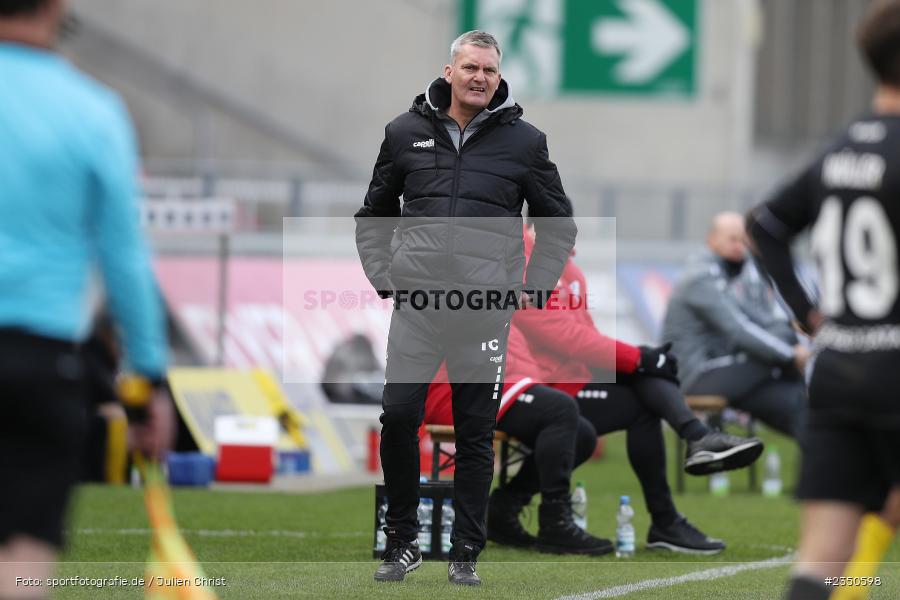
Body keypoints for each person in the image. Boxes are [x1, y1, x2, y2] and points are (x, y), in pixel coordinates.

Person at [355, 30, 576, 585]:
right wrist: (386, 279)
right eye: (472, 67)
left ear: (500, 80)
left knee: (475, 433)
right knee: (399, 416)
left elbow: (558, 223)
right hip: (419, 309)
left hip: (483, 312)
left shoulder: (526, 142)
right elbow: (373, 215)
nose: (481, 78)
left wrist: (535, 287)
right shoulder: (403, 133)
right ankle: (402, 542)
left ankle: (464, 554)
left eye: (491, 71)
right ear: (449, 71)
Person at [0, 2, 171, 597]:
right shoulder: (93, 111)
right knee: (21, 556)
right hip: (41, 356)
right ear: (58, 7)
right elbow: (124, 259)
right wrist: (148, 377)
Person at [747, 2, 900, 597]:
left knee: (820, 557)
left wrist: (809, 315)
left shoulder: (840, 147)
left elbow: (765, 226)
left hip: (838, 367)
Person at [513, 231, 763, 553]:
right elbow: (562, 336)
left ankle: (690, 457)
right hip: (537, 389)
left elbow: (583, 337)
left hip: (567, 380)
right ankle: (679, 484)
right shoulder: (520, 261)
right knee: (641, 387)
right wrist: (639, 357)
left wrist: (642, 358)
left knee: (646, 375)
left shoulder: (565, 269)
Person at [425, 325, 613, 556]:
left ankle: (503, 509)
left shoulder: (508, 305)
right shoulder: (471, 297)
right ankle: (555, 522)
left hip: (505, 382)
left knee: (582, 434)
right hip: (458, 389)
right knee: (560, 408)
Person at [662, 211, 808, 438]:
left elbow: (756, 318)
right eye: (732, 239)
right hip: (693, 376)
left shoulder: (723, 272)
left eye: (743, 240)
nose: (739, 246)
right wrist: (791, 355)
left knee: (789, 402)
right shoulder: (700, 277)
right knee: (775, 362)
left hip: (723, 370)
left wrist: (790, 328)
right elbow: (739, 328)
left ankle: (813, 426)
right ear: (712, 239)